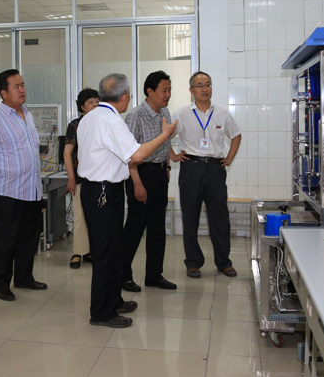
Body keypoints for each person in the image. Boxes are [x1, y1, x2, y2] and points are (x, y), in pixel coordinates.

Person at [77, 73, 177, 328]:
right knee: (104, 253)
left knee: (113, 249)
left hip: (96, 190)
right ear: (124, 97)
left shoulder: (90, 117)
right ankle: (101, 312)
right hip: (102, 192)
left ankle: (114, 300)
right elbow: (137, 155)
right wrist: (165, 135)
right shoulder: (112, 121)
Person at [0, 69, 48, 302]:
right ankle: (0, 284)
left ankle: (24, 278)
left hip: (31, 190)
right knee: (4, 242)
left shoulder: (27, 115)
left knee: (29, 238)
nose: (22, 89)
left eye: (23, 85)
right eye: (16, 86)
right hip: (7, 192)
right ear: (4, 93)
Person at [170, 71, 242, 279]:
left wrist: (229, 158)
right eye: (200, 85)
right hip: (191, 168)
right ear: (191, 90)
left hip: (215, 170)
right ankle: (193, 263)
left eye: (208, 84)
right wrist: (173, 156)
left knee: (220, 218)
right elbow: (164, 136)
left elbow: (236, 135)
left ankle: (224, 262)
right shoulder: (181, 113)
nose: (204, 89)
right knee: (190, 217)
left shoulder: (222, 113)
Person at [122, 71, 176, 292]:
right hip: (141, 175)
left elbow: (165, 143)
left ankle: (154, 275)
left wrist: (167, 167)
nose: (168, 94)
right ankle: (123, 276)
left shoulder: (165, 112)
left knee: (157, 228)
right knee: (134, 228)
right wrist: (137, 183)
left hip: (160, 175)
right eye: (164, 90)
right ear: (150, 91)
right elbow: (129, 154)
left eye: (169, 90)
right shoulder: (135, 116)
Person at [64, 88, 100, 269]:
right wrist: (71, 178)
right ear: (82, 106)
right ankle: (77, 252)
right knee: (79, 216)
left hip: (99, 177)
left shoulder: (102, 122)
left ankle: (91, 250)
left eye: (97, 102)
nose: (95, 105)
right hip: (80, 178)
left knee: (96, 217)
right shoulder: (75, 125)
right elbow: (67, 153)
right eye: (90, 102)